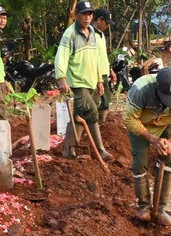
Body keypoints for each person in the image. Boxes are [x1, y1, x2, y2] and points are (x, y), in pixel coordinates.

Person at [123, 67, 171, 225]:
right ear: (157, 88)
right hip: (141, 126)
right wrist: (153, 140)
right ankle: (144, 207)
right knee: (140, 162)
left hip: (165, 123)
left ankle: (160, 208)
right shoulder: (141, 89)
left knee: (170, 159)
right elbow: (129, 119)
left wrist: (170, 141)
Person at [55, 0, 112, 160]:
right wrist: (61, 78)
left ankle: (68, 149)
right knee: (91, 111)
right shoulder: (70, 34)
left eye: (90, 14)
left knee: (80, 115)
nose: (87, 17)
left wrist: (100, 80)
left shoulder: (93, 33)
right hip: (78, 82)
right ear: (77, 15)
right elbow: (61, 57)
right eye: (84, 14)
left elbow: (97, 58)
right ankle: (99, 150)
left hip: (92, 81)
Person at [93, 7, 118, 122]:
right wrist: (98, 80)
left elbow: (103, 56)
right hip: (94, 75)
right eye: (106, 23)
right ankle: (92, 127)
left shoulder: (101, 35)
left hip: (104, 73)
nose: (107, 26)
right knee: (94, 102)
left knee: (105, 101)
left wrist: (110, 70)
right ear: (99, 20)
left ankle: (102, 125)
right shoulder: (90, 36)